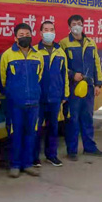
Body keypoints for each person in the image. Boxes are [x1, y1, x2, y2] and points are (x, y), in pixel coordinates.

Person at [0, 23, 44, 178]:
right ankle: (15, 165)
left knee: (31, 134)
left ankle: (28, 164)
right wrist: (14, 93)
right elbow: (3, 79)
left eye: (27, 34)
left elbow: (39, 76)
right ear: (15, 38)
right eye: (21, 35)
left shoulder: (38, 55)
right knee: (15, 134)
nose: (25, 37)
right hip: (15, 104)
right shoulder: (7, 55)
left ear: (31, 36)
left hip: (34, 103)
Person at [60, 15, 102, 160]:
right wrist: (72, 74)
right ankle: (72, 151)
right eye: (74, 24)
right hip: (73, 88)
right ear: (69, 27)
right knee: (72, 119)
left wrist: (98, 84)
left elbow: (96, 64)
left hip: (88, 87)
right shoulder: (64, 43)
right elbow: (61, 66)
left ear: (83, 25)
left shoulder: (90, 43)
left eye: (79, 23)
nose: (77, 26)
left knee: (87, 118)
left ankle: (90, 148)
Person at [34, 21, 69, 167]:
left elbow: (64, 74)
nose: (49, 32)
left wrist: (65, 94)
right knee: (35, 128)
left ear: (55, 32)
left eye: (51, 30)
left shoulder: (60, 52)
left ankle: (51, 155)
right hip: (38, 97)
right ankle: (34, 157)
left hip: (55, 96)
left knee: (53, 127)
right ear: (40, 33)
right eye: (46, 30)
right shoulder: (35, 51)